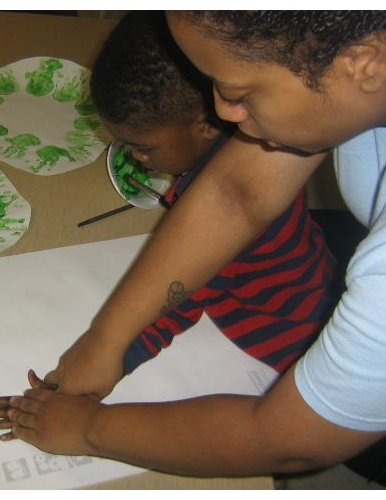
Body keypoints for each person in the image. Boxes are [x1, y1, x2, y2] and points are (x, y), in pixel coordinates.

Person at [0, 10, 386, 478]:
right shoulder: (341, 81)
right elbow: (237, 193)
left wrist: (89, 427)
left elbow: (287, 443)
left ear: (362, 62)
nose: (220, 113)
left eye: (236, 92)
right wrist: (106, 340)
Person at [89, 9, 341, 376]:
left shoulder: (223, 218)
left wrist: (111, 364)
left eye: (145, 147)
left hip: (292, 349)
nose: (136, 157)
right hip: (319, 281)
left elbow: (178, 300)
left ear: (206, 125)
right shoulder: (261, 148)